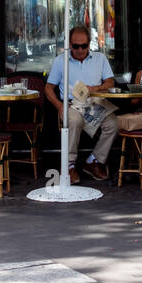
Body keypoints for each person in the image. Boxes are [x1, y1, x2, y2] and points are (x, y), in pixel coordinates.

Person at [45, 27, 118, 183]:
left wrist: (95, 88)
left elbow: (110, 82)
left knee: (113, 124)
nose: (79, 50)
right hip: (71, 103)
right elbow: (48, 88)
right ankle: (69, 165)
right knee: (74, 119)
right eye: (75, 46)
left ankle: (94, 161)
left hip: (93, 102)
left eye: (83, 46)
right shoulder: (61, 60)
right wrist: (59, 106)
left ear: (89, 44)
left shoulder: (100, 58)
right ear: (69, 44)